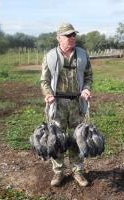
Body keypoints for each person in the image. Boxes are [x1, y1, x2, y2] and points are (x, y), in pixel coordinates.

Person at [40, 23, 93, 187]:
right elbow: (44, 80)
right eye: (68, 35)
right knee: (56, 139)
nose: (72, 38)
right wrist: (48, 94)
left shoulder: (83, 55)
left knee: (78, 138)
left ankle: (78, 171)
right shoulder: (50, 56)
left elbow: (89, 76)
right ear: (59, 38)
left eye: (73, 35)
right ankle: (59, 172)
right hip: (57, 104)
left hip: (77, 103)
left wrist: (86, 89)